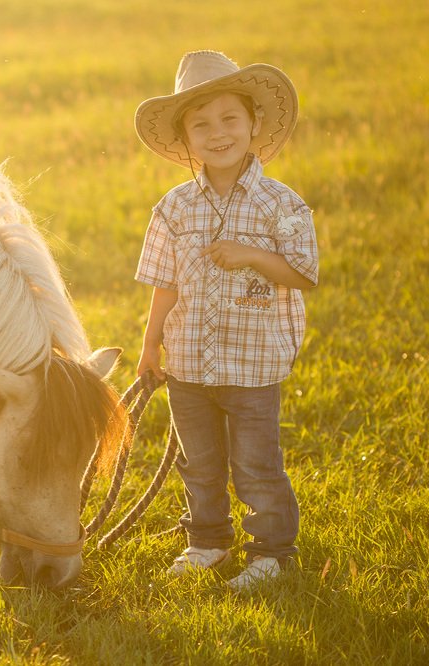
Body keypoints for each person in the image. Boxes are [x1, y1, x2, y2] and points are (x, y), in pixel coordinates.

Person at [133, 50, 318, 590]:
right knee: (199, 463)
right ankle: (208, 540)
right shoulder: (173, 209)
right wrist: (150, 347)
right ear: (186, 139)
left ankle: (273, 552)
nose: (218, 133)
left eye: (229, 119)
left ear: (254, 124)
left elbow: (304, 274)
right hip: (189, 363)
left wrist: (253, 255)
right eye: (202, 124)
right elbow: (164, 283)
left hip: (253, 365)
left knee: (256, 465)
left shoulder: (281, 204)